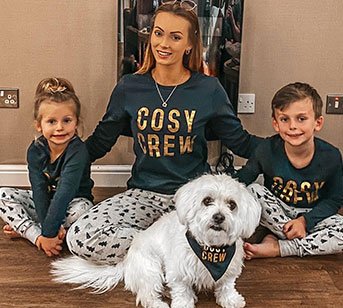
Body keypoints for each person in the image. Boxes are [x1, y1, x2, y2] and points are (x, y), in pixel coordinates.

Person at [66, 1, 262, 265]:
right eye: (158, 33)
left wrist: (287, 147)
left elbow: (240, 142)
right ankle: (172, 253)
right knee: (80, 236)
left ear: (190, 45)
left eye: (175, 36)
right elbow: (102, 140)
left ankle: (157, 256)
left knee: (210, 236)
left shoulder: (209, 89)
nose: (163, 43)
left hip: (193, 198)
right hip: (142, 193)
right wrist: (62, 160)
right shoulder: (129, 87)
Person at [235, 82, 343, 259]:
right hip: (276, 212)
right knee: (252, 190)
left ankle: (278, 246)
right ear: (276, 124)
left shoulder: (331, 156)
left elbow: (335, 199)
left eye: (301, 119)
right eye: (285, 119)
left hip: (312, 216)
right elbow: (242, 180)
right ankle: (286, 235)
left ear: (318, 122)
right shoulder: (266, 150)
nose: (292, 126)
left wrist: (304, 223)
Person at [0, 77, 94, 257]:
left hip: (72, 203)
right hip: (44, 204)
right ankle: (36, 236)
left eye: (67, 120)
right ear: (39, 125)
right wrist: (45, 234)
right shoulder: (35, 151)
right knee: (2, 195)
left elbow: (65, 193)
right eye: (51, 121)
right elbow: (39, 190)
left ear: (76, 122)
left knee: (83, 211)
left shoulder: (78, 151)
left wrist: (49, 231)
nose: (60, 127)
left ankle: (27, 228)